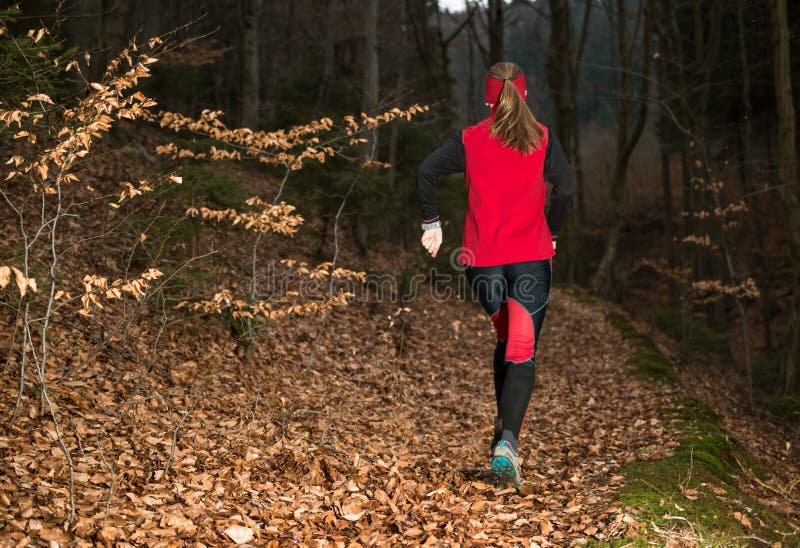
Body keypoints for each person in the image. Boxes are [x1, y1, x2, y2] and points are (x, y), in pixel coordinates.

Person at [415, 61, 575, 489]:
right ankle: (508, 441)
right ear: (524, 94)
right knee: (521, 348)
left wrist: (433, 223)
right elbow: (567, 192)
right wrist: (553, 232)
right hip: (530, 260)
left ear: (488, 97)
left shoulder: (469, 139)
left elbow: (425, 171)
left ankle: (504, 430)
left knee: (506, 339)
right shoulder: (542, 138)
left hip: (481, 261)